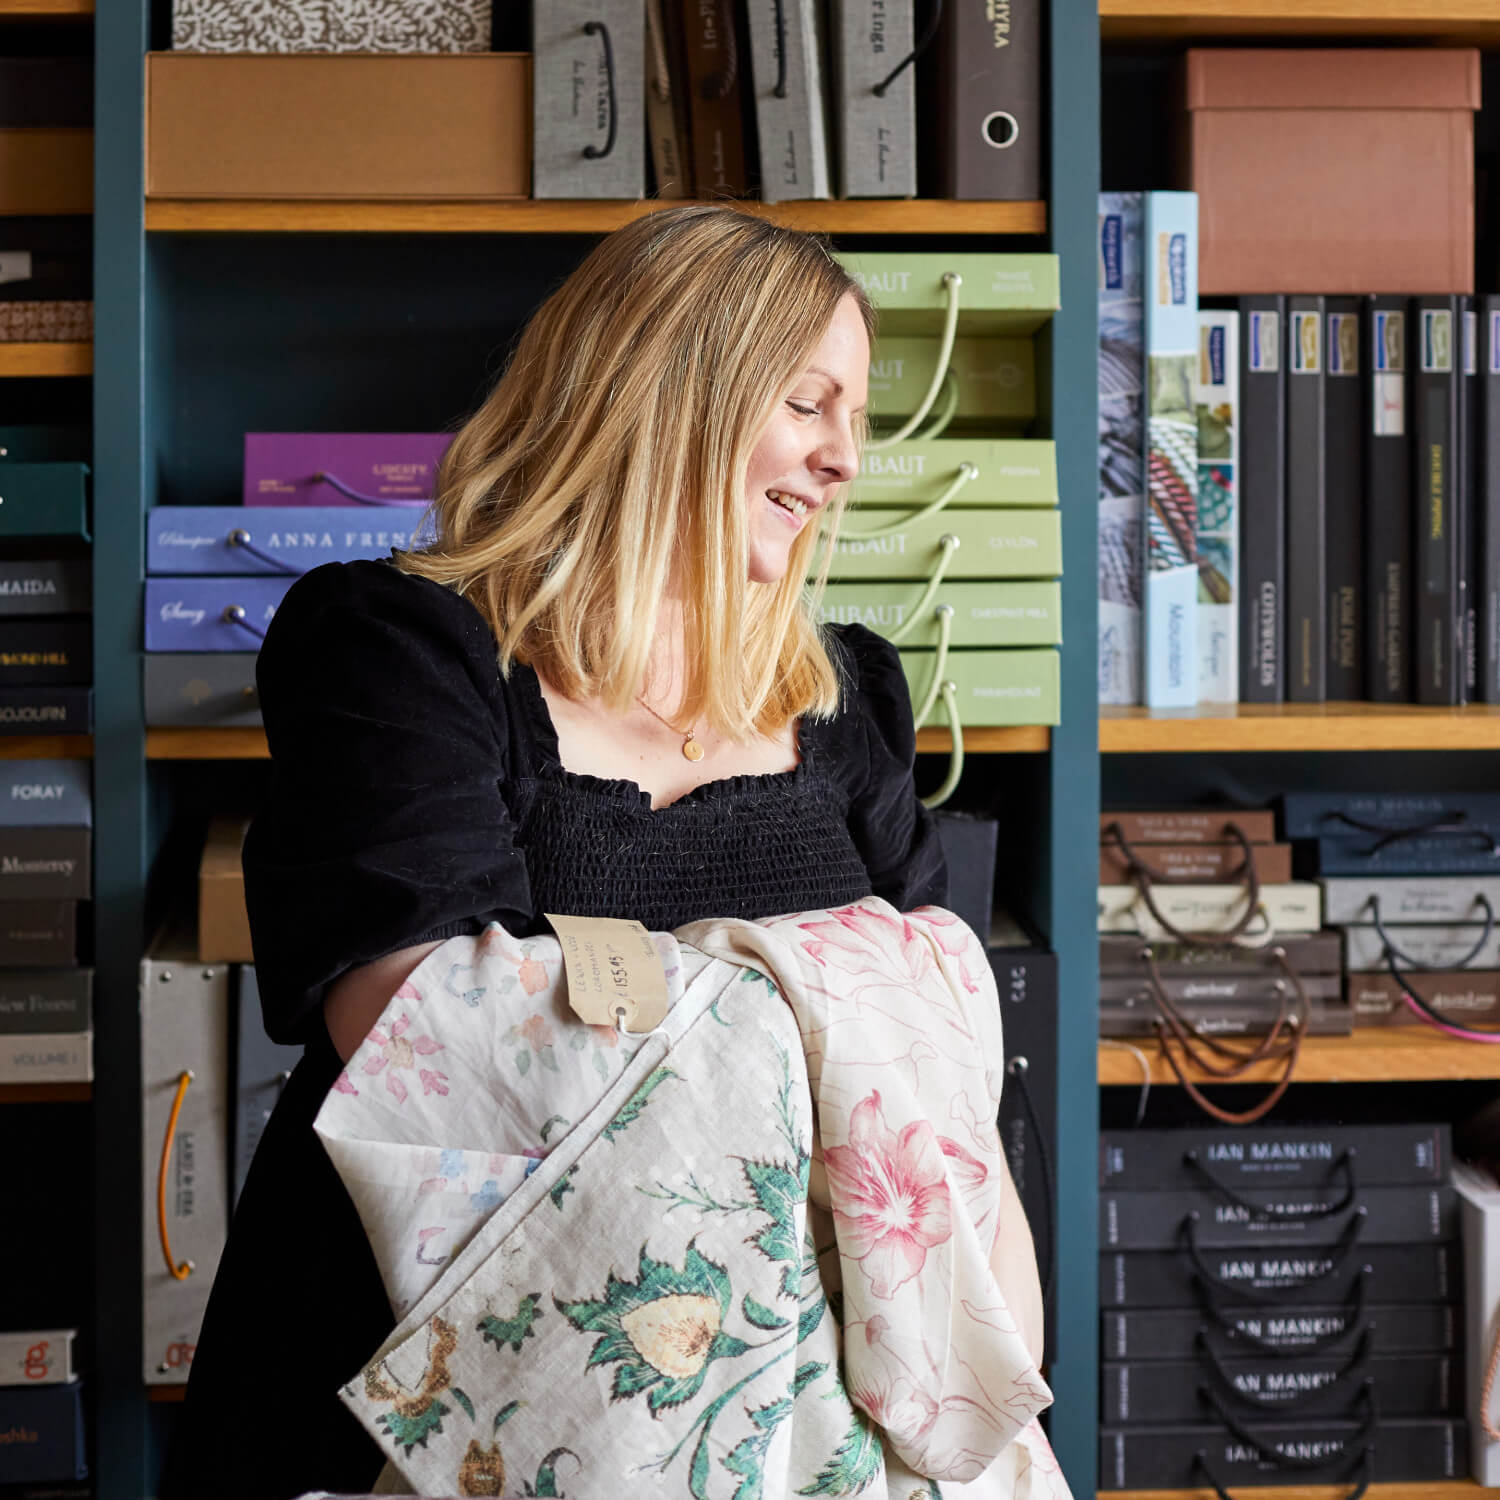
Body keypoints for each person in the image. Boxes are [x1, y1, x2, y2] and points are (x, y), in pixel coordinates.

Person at [164, 205, 1035, 1500]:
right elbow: (438, 1043)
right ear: (669, 390)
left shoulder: (851, 699)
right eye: (809, 404)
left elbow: (947, 1095)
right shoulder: (401, 651)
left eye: (856, 421)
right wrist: (823, 997)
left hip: (831, 1445)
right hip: (420, 1403)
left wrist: (993, 1404)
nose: (844, 460)